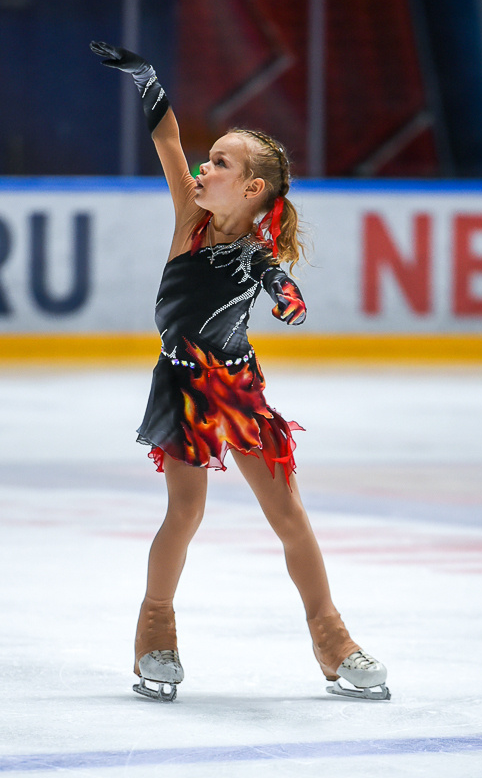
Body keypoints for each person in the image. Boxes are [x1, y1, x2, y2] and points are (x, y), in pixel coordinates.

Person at [90, 41, 390, 703]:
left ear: (251, 189)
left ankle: (332, 637)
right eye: (210, 157)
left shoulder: (252, 251)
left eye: (220, 162)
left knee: (289, 514)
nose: (204, 166)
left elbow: (271, 273)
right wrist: (147, 78)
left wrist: (288, 295)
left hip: (237, 389)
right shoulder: (188, 219)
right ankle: (155, 629)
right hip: (183, 389)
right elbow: (168, 140)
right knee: (185, 512)